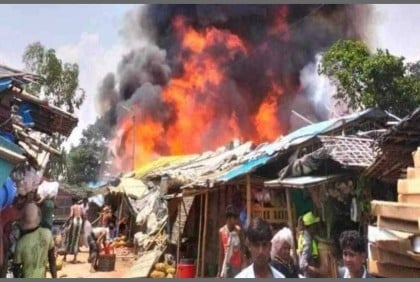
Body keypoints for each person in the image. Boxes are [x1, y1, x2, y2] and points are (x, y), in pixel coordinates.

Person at [12, 203, 57, 278]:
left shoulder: (20, 243)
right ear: (38, 218)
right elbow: (52, 261)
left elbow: (16, 271)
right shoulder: (47, 234)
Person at [217, 205, 246, 278]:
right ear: (228, 218)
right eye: (235, 218)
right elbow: (221, 252)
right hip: (227, 264)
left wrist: (243, 264)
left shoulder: (238, 231)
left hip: (237, 265)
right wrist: (219, 270)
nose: (236, 220)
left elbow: (242, 247)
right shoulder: (221, 231)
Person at [297, 211, 321, 278]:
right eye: (315, 225)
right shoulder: (308, 242)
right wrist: (317, 271)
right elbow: (302, 264)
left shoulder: (303, 235)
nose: (316, 227)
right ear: (311, 227)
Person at [64, 197, 85, 263]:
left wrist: (65, 223)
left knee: (69, 238)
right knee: (76, 239)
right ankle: (75, 258)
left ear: (73, 201)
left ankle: (65, 257)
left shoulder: (73, 207)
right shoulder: (81, 207)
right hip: (80, 221)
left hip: (74, 221)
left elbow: (71, 215)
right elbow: (83, 215)